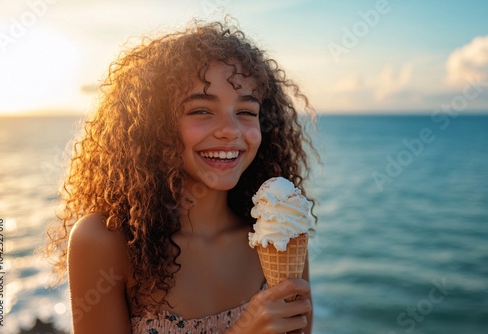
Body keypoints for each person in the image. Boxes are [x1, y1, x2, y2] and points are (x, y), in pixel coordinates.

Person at [44, 20, 318, 333]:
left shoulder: (279, 234)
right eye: (201, 110)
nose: (231, 130)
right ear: (154, 125)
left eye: (246, 112)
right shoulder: (104, 242)